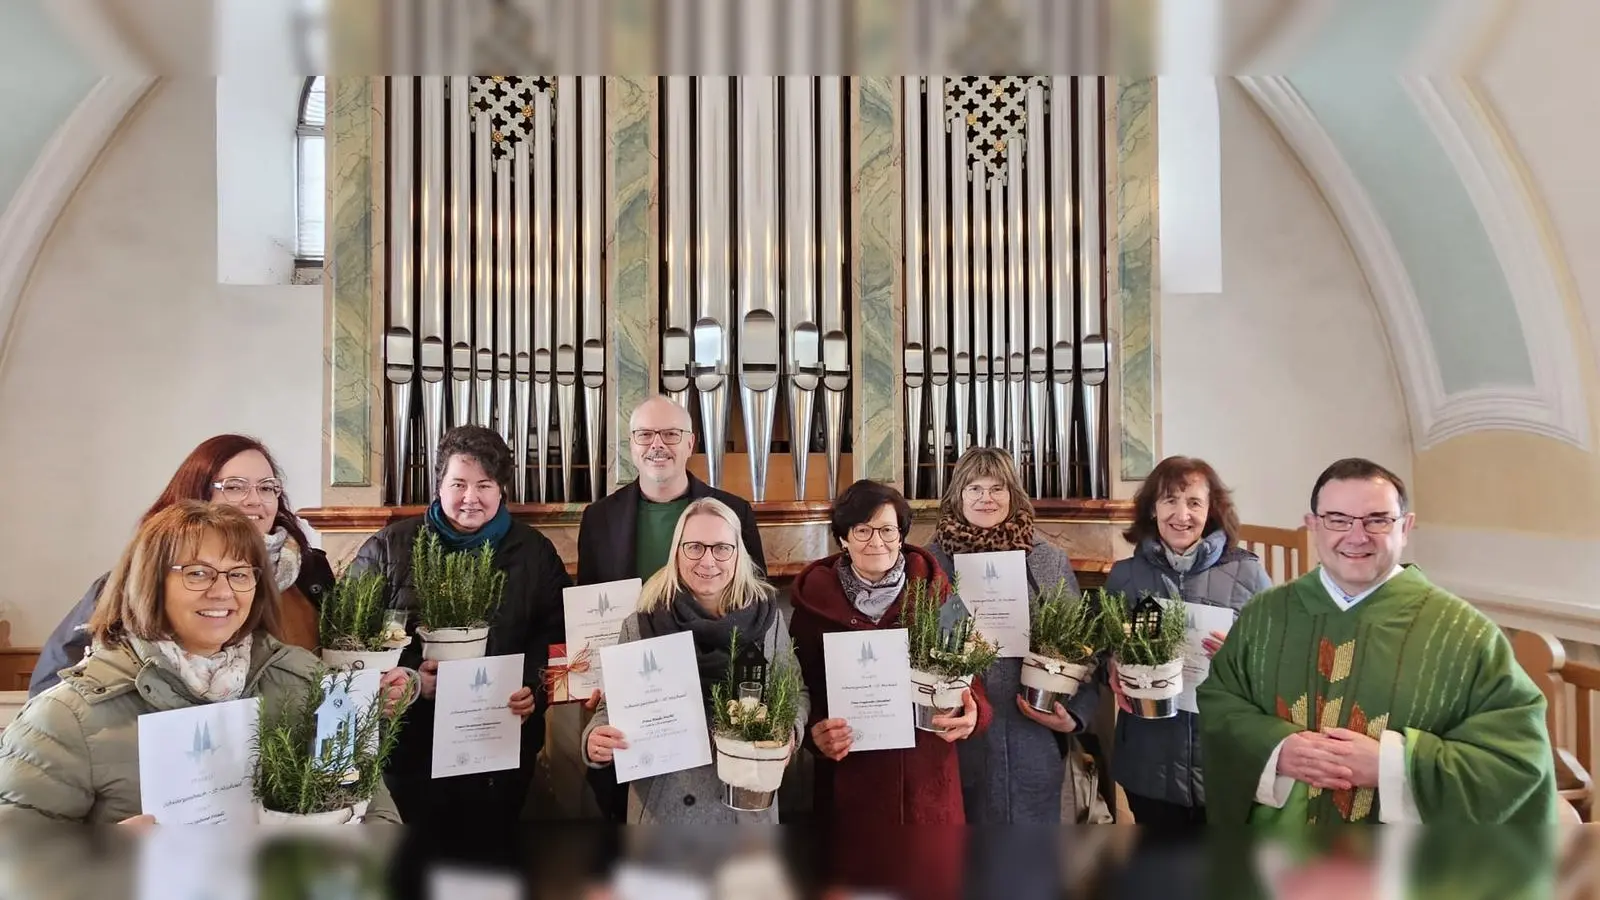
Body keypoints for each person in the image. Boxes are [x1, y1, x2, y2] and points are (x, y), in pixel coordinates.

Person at [1198, 458, 1557, 823]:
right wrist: (1276, 748)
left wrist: (1392, 766)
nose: (1357, 536)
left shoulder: (1464, 633)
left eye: (1377, 520)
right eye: (1338, 519)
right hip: (1277, 858)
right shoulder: (1266, 615)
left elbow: (1518, 759)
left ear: (1406, 527)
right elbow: (1221, 702)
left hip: (1406, 870)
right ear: (1313, 526)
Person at [0, 501, 400, 823]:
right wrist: (103, 855)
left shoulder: (307, 683)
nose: (223, 591)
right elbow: (16, 858)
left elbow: (375, 813)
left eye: (240, 574)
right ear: (149, 582)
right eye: (198, 573)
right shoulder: (68, 717)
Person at [348, 425, 569, 827]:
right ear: (439, 485)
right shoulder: (388, 547)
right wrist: (413, 675)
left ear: (502, 489)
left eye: (484, 484)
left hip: (499, 744)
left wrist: (532, 688)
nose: (471, 498)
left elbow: (557, 633)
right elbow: (352, 637)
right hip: (410, 746)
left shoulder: (534, 552)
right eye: (459, 484)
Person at [789, 479, 988, 899]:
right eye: (862, 530)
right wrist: (815, 736)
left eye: (886, 529)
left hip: (925, 791)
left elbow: (973, 679)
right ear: (843, 538)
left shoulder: (938, 593)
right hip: (850, 792)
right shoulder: (812, 605)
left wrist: (973, 714)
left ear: (902, 534)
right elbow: (800, 694)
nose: (875, 540)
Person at [575, 394, 767, 819]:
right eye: (645, 434)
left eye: (670, 433)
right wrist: (592, 676)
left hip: (719, 699)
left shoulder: (734, 511)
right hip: (637, 702)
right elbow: (589, 606)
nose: (656, 444)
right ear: (631, 442)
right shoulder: (599, 517)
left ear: (690, 442)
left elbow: (755, 605)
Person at [30, 434, 335, 696]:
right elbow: (55, 687)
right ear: (197, 495)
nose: (254, 500)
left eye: (267, 487)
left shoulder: (309, 576)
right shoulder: (136, 580)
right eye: (234, 486)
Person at [582, 499, 806, 822]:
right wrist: (595, 738)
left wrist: (790, 733)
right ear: (676, 551)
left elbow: (796, 693)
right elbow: (612, 708)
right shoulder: (642, 623)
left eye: (721, 548)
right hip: (663, 811)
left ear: (738, 554)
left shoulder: (767, 620)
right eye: (695, 547)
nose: (708, 561)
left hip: (745, 809)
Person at [1087, 455, 1271, 826]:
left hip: (1224, 762)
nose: (1181, 514)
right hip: (1148, 760)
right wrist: (1110, 665)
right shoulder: (1126, 576)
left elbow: (1279, 656)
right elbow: (1099, 647)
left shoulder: (1247, 573)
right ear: (1152, 509)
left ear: (1212, 510)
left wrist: (1242, 658)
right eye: (1169, 500)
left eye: (1193, 502)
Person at [925, 446, 1086, 823]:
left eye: (997, 488)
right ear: (956, 496)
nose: (986, 498)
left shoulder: (1047, 559)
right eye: (974, 488)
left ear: (1013, 495)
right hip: (958, 738)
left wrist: (1073, 716)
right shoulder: (929, 563)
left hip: (1033, 734)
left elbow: (1082, 647)